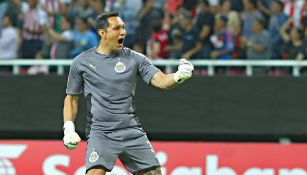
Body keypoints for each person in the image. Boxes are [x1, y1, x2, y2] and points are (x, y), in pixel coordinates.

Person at [62, 12, 194, 175]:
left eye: (123, 28)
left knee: (154, 174)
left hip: (131, 130)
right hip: (101, 132)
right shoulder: (81, 62)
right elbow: (71, 99)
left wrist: (178, 76)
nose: (123, 32)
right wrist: (68, 128)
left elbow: (162, 81)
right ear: (102, 33)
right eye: (117, 28)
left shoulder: (136, 59)